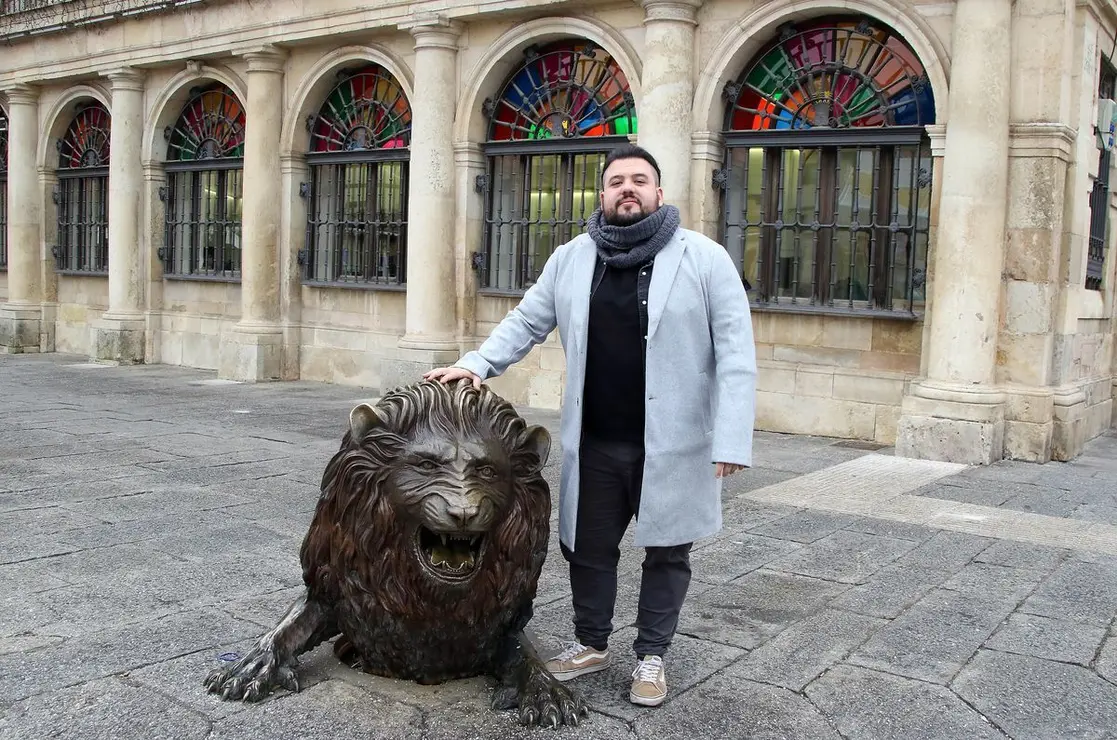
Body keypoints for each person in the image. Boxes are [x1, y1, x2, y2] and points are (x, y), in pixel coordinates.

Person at [424, 144, 756, 708]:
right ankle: (591, 643)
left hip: (673, 446)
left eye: (640, 180)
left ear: (659, 192)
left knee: (668, 551)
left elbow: (736, 352)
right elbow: (527, 319)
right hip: (597, 440)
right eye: (617, 181)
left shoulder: (704, 258)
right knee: (588, 550)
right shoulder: (573, 257)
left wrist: (731, 438)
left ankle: (652, 656)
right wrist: (476, 365)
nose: (628, 189)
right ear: (601, 194)